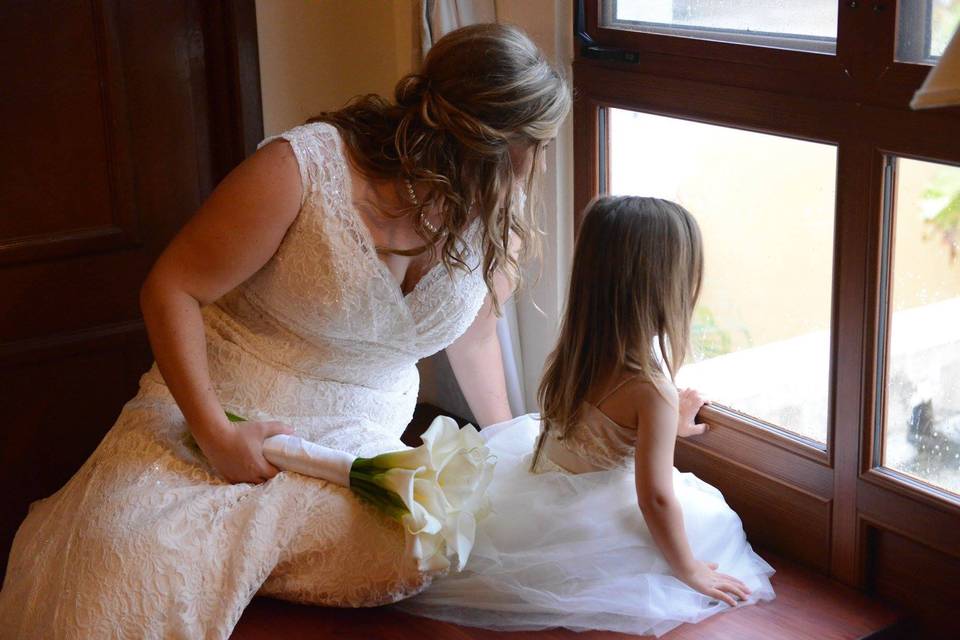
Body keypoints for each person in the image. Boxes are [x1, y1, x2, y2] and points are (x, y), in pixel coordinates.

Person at [0, 24, 570, 639]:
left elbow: (477, 338)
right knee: (127, 561)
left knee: (414, 547)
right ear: (488, 142)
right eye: (535, 145)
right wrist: (216, 434)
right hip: (219, 406)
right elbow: (171, 288)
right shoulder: (303, 170)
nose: (539, 163)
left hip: (357, 432)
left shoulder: (495, 221)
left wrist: (513, 444)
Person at [397, 196, 776, 636]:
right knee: (712, 526)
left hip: (540, 478)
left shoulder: (578, 350)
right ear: (668, 287)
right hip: (592, 508)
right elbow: (654, 497)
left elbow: (601, 430)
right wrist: (689, 568)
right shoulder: (651, 388)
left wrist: (669, 428)